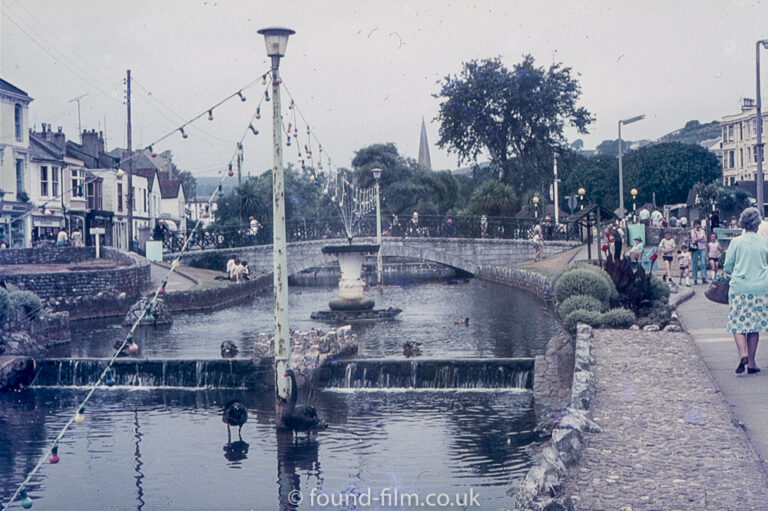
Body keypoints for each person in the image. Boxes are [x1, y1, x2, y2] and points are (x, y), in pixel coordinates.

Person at [723, 207, 768, 375]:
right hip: (760, 288)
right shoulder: (765, 242)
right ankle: (752, 363)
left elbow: (728, 265)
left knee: (737, 323)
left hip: (739, 287)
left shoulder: (736, 242)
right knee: (754, 326)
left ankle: (742, 354)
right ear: (757, 224)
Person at [690, 219, 708, 285]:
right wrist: (701, 238)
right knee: (695, 264)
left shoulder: (702, 231)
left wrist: (698, 239)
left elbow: (705, 240)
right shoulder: (692, 231)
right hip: (695, 248)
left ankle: (704, 277)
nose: (698, 225)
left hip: (702, 248)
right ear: (694, 225)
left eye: (699, 224)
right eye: (696, 224)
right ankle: (694, 279)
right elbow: (694, 239)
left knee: (703, 263)